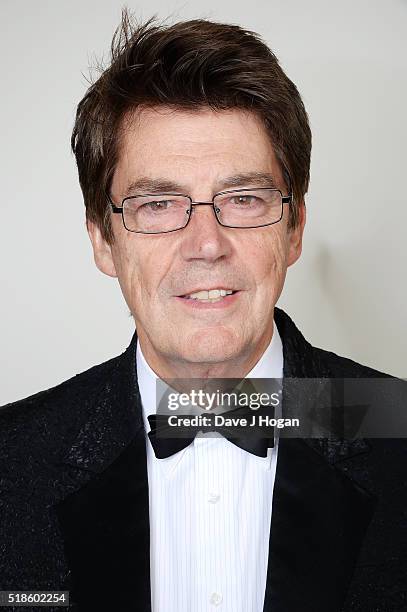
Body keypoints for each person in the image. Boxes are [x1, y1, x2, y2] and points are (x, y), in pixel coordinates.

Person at [0, 11, 405, 612]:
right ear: (102, 241)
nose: (207, 243)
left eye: (243, 199)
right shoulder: (11, 459)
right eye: (159, 204)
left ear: (294, 228)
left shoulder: (398, 431)